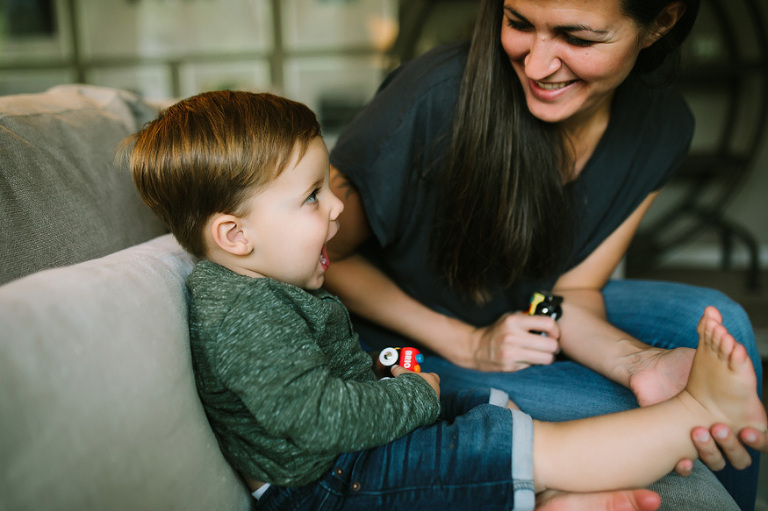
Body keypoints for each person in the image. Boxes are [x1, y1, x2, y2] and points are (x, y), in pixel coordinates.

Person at [122, 90, 768, 511]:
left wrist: (629, 358)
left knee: (493, 406)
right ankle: (688, 415)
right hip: (349, 446)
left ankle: (555, 478)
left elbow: (564, 290)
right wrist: (440, 366)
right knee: (507, 430)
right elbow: (320, 406)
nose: (337, 207)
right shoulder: (246, 306)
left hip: (500, 324)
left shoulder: (650, 132)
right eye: (313, 197)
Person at [323, 0, 766, 509]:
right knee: (655, 434)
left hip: (521, 314)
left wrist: (639, 361)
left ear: (660, 23)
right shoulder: (432, 96)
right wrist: (467, 342)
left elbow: (564, 292)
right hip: (400, 345)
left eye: (576, 39)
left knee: (720, 325)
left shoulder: (661, 125)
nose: (535, 65)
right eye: (518, 24)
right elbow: (321, 256)